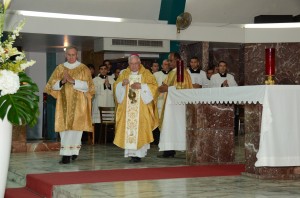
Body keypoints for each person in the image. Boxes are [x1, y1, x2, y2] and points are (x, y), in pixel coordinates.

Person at [44, 46, 95, 164]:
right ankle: (66, 154)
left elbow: (90, 87)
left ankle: (74, 152)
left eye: (73, 55)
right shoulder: (60, 68)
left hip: (79, 104)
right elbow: (50, 86)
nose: (71, 57)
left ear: (77, 55)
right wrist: (62, 81)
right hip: (63, 103)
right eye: (69, 55)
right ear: (65, 55)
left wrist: (73, 81)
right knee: (65, 128)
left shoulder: (83, 68)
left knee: (77, 129)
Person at [113, 54, 159, 163]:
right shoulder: (124, 73)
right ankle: (131, 154)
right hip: (127, 109)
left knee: (141, 129)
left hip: (141, 109)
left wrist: (142, 86)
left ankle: (139, 154)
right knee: (129, 129)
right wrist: (121, 85)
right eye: (131, 64)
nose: (133, 66)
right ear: (128, 64)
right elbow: (116, 87)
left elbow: (154, 88)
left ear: (139, 63)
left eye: (136, 63)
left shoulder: (146, 73)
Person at [157, 52, 193, 158]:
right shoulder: (172, 72)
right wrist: (162, 87)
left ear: (178, 60)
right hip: (169, 105)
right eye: (168, 60)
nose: (169, 63)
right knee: (168, 127)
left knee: (176, 127)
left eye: (171, 60)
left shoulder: (183, 72)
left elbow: (183, 88)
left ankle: (175, 149)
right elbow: (165, 85)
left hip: (178, 107)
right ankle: (169, 150)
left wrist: (167, 88)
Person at [92, 64, 115, 144]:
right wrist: (103, 85)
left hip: (109, 103)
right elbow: (93, 91)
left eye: (105, 69)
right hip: (99, 102)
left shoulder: (112, 79)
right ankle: (98, 140)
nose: (103, 70)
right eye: (101, 69)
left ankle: (109, 140)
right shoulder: (95, 80)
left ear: (107, 70)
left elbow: (115, 91)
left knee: (109, 123)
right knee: (98, 122)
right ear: (99, 70)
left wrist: (109, 85)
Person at [152, 59, 170, 145]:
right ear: (162, 66)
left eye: (168, 64)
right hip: (159, 101)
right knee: (158, 119)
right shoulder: (156, 75)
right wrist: (160, 88)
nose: (166, 66)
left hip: (169, 102)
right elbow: (152, 87)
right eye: (164, 64)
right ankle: (157, 139)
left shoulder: (172, 74)